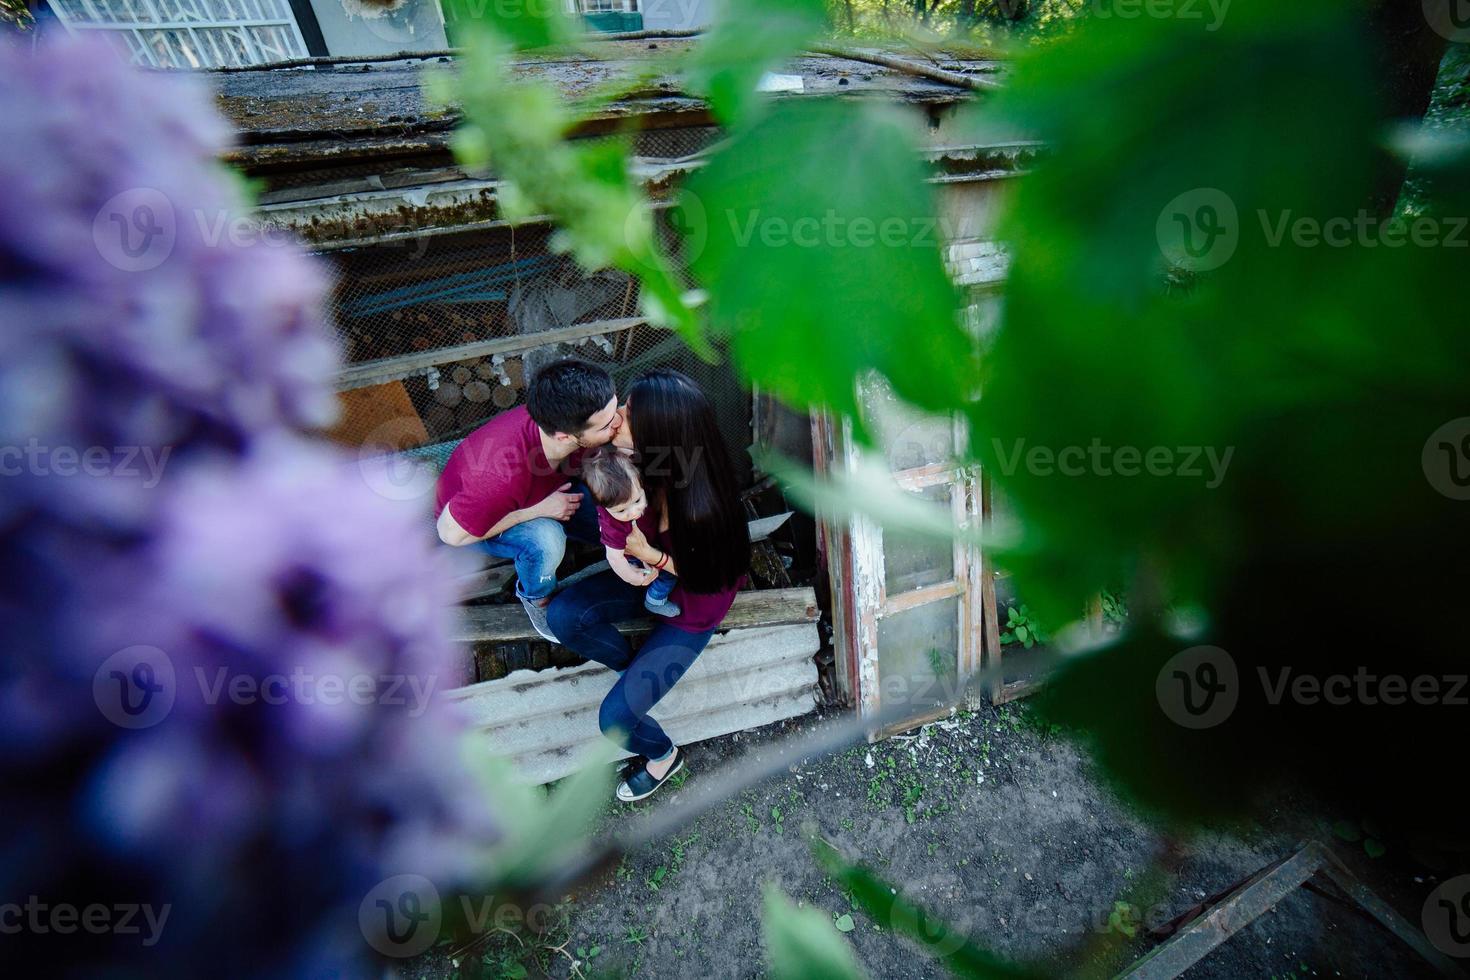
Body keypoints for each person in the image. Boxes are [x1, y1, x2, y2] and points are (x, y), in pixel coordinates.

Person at [547, 369, 750, 802]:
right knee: (564, 615)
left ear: (659, 432)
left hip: (691, 603)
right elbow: (598, 493)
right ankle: (628, 665)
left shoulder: (704, 508)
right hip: (647, 571)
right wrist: (615, 551)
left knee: (615, 721)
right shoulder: (641, 462)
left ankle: (662, 755)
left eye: (628, 412)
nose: (617, 416)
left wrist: (648, 553)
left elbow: (710, 578)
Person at [435, 359, 620, 642]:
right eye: (606, 424)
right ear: (565, 436)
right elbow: (450, 534)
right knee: (546, 540)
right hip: (480, 519)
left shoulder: (565, 423)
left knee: (614, 516)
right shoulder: (497, 478)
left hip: (550, 490)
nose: (617, 423)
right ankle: (538, 598)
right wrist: (538, 510)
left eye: (615, 410)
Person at [580, 445, 682, 619]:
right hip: (635, 553)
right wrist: (630, 575)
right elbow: (614, 556)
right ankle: (655, 600)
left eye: (637, 501)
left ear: (639, 481)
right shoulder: (614, 526)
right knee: (666, 575)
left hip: (650, 539)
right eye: (621, 511)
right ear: (603, 507)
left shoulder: (633, 482)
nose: (633, 512)